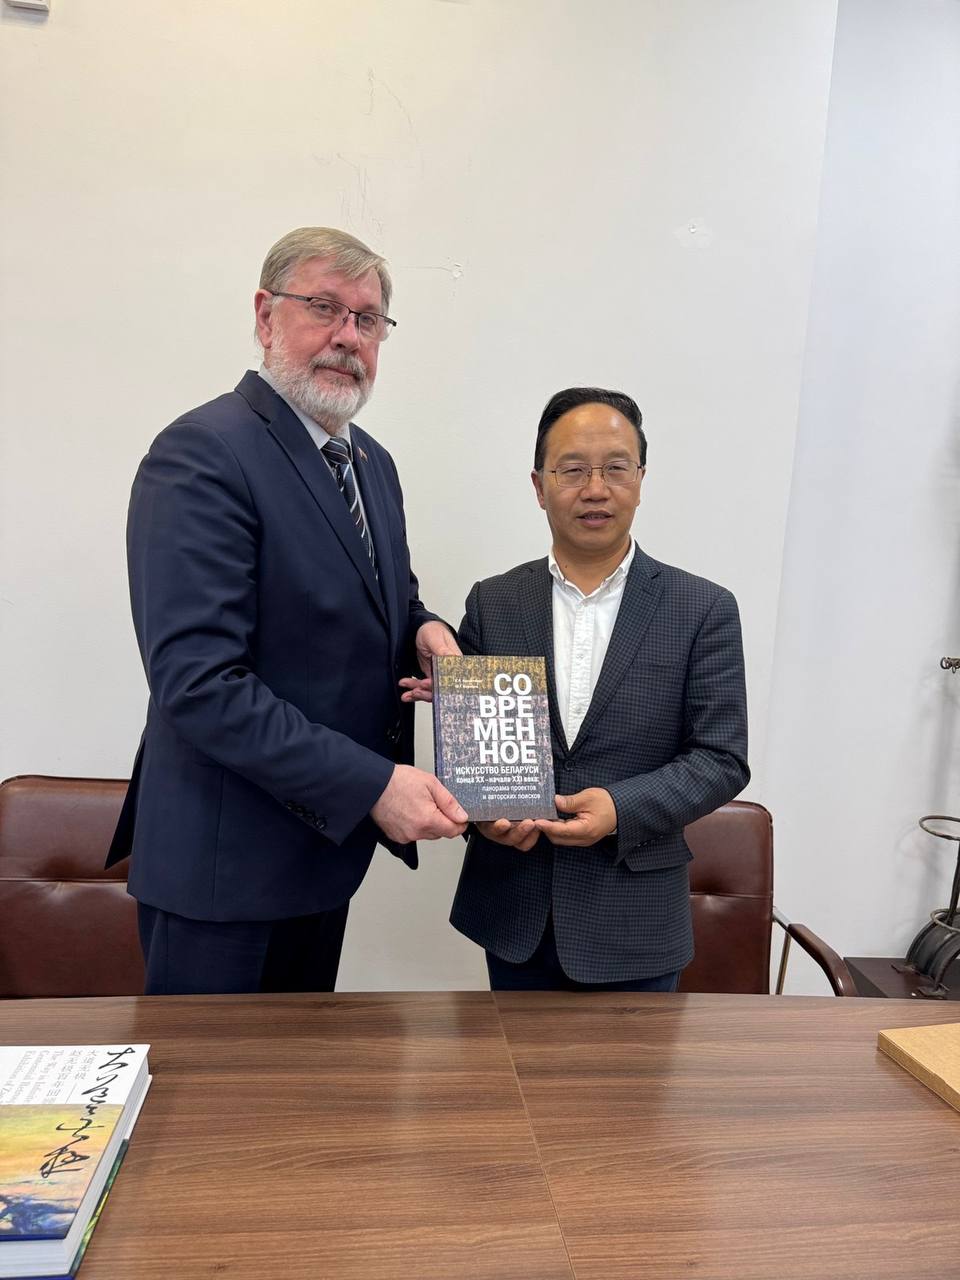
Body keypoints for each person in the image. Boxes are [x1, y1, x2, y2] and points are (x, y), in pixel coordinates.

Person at [107, 226, 467, 995]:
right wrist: (376, 786)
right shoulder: (202, 452)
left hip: (320, 858)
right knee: (209, 1079)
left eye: (367, 319)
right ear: (266, 315)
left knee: (296, 1075)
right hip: (221, 873)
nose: (348, 336)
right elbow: (201, 684)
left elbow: (383, 595)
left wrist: (425, 628)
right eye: (324, 308)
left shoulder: (371, 463)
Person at [449, 387, 749, 991]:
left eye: (615, 468)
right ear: (539, 486)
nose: (595, 489)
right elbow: (475, 753)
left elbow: (721, 759)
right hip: (513, 913)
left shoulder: (702, 609)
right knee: (509, 1060)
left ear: (640, 480)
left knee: (633, 1063)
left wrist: (619, 809)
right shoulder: (492, 602)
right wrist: (482, 817)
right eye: (572, 470)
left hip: (635, 920)